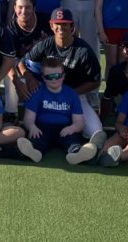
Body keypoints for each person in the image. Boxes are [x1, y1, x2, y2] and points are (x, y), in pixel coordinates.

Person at [18, 8, 106, 153]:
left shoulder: (83, 50)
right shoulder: (46, 44)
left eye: (65, 24)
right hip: (47, 90)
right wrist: (29, 77)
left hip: (74, 93)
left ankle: (87, 150)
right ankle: (15, 118)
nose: (61, 27)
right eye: (57, 24)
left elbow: (95, 81)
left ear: (72, 26)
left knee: (96, 131)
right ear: (52, 26)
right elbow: (22, 62)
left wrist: (70, 93)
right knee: (23, 84)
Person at [23, 56, 98, 164]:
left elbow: (79, 122)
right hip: (42, 127)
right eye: (49, 77)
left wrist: (72, 128)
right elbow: (28, 117)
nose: (54, 79)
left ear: (63, 76)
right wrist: (31, 127)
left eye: (57, 76)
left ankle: (77, 154)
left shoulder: (71, 94)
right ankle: (33, 152)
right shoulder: (38, 92)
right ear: (43, 78)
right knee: (37, 139)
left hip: (65, 128)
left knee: (72, 141)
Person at [5, 0, 50, 119]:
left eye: (28, 7)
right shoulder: (11, 30)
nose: (23, 11)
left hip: (46, 63)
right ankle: (11, 113)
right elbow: (9, 61)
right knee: (9, 75)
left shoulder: (46, 21)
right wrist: (20, 81)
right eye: (20, 7)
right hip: (22, 65)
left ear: (34, 8)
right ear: (14, 8)